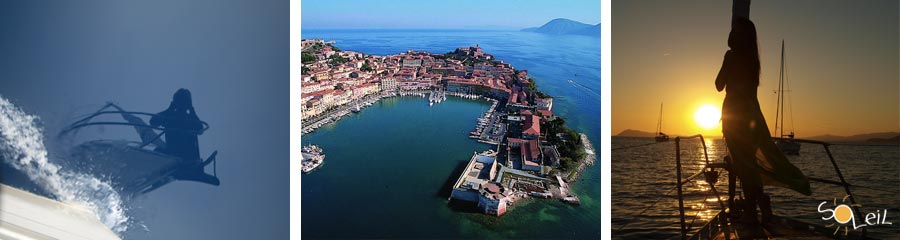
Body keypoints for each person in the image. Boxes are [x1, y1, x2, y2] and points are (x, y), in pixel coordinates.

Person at [716, 17, 811, 225]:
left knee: (744, 165)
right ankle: (762, 205)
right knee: (750, 163)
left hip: (735, 116)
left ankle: (752, 212)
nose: (731, 35)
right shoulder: (753, 59)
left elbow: (718, 85)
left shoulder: (731, 56)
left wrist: (727, 64)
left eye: (736, 32)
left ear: (741, 37)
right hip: (752, 115)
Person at [150, 88, 203, 166]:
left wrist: (192, 111)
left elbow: (200, 129)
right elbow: (153, 122)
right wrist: (170, 109)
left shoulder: (188, 118)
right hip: (174, 155)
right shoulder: (170, 116)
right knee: (157, 151)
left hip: (187, 157)